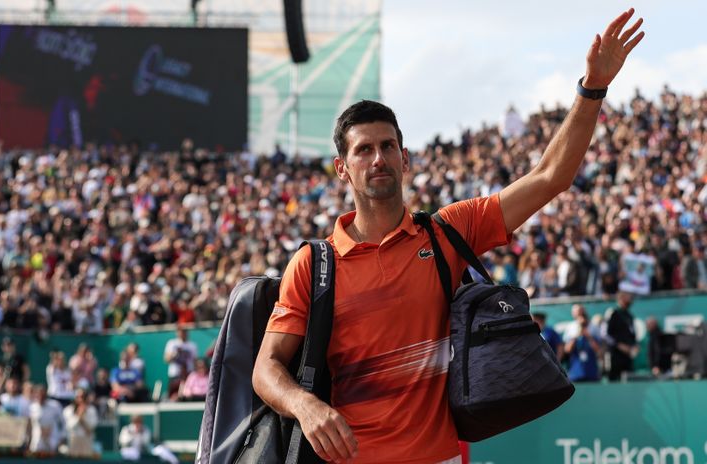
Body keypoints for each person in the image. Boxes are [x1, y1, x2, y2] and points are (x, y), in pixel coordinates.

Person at [252, 10, 644, 463]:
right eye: (363, 150)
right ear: (342, 168)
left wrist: (592, 88)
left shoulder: (446, 233)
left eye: (388, 146)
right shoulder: (315, 264)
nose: (378, 158)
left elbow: (550, 177)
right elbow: (266, 368)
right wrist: (305, 405)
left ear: (405, 158)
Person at [606, 291, 638, 381]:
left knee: (629, 379)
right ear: (621, 299)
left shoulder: (629, 316)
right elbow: (606, 334)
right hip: (615, 356)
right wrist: (619, 345)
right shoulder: (613, 313)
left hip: (628, 356)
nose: (630, 300)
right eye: (627, 297)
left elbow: (632, 334)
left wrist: (634, 345)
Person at [564, 311, 601, 382]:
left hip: (591, 374)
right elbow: (567, 350)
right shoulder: (573, 338)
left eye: (584, 324)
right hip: (575, 374)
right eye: (581, 324)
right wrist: (577, 335)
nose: (582, 327)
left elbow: (598, 351)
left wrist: (588, 336)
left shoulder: (592, 337)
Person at [63, 387, 98, 457]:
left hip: (87, 443)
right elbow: (69, 427)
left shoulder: (92, 410)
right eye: (78, 397)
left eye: (83, 397)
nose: (81, 399)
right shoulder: (68, 410)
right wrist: (78, 417)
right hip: (73, 442)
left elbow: (91, 429)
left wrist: (82, 419)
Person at [163, 326, 197, 398]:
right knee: (173, 395)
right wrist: (175, 353)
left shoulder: (192, 345)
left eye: (184, 332)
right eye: (180, 331)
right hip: (175, 374)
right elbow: (166, 359)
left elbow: (195, 361)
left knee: (186, 395)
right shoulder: (171, 343)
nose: (182, 333)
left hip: (188, 374)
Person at [29, 385, 64, 454]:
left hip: (52, 441)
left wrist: (61, 438)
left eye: (43, 394)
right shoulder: (32, 407)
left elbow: (62, 423)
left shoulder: (55, 406)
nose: (40, 397)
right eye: (38, 394)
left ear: (46, 395)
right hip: (37, 442)